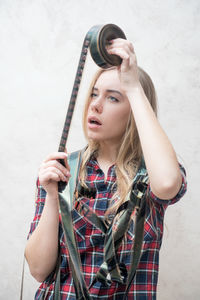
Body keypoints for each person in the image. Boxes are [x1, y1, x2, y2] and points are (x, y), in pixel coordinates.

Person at [25, 38, 187, 299]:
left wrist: (134, 87)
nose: (96, 105)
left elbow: (169, 183)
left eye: (113, 98)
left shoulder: (151, 175)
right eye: (94, 93)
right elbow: (38, 270)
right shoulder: (63, 169)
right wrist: (52, 196)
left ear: (135, 110)